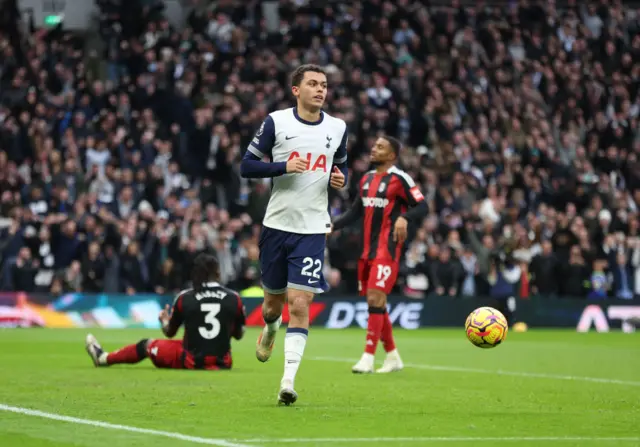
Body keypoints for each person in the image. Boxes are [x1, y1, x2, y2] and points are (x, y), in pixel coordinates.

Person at [240, 64, 348, 405]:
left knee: (299, 304)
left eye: (324, 85)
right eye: (313, 84)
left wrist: (340, 179)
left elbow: (340, 164)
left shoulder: (338, 127)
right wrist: (282, 167)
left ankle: (287, 381)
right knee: (273, 306)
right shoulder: (277, 121)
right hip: (276, 226)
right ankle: (270, 329)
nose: (320, 90)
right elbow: (247, 166)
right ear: (295, 90)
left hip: (313, 229)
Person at [332, 136, 427, 373]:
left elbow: (423, 206)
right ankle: (393, 356)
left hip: (388, 249)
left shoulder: (400, 178)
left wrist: (404, 218)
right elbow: (355, 211)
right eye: (374, 145)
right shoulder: (365, 179)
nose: (374, 149)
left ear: (393, 155)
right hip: (367, 251)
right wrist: (332, 226)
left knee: (375, 298)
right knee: (376, 302)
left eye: (381, 147)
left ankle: (368, 357)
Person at [84, 253, 246, 370]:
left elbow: (169, 333)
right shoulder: (234, 298)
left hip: (190, 360)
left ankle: (103, 358)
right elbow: (239, 335)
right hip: (223, 363)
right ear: (218, 273)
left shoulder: (185, 297)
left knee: (147, 344)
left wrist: (164, 321)